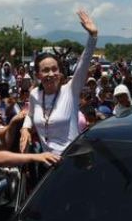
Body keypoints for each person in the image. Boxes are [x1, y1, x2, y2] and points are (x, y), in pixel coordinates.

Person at [21, 10, 98, 156]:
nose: (51, 74)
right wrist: (25, 129)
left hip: (71, 161)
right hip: (47, 164)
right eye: (45, 70)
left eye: (54, 69)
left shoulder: (70, 91)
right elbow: (30, 115)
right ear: (38, 75)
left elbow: (83, 62)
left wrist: (92, 37)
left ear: (60, 72)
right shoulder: (34, 94)